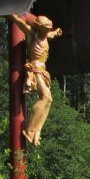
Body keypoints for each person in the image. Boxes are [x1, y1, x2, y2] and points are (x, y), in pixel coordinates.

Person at [8, 13, 63, 146]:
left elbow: (52, 34)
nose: (47, 32)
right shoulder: (32, 34)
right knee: (45, 97)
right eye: (46, 29)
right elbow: (18, 21)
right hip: (35, 70)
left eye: (48, 29)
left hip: (43, 72)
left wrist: (57, 32)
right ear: (39, 28)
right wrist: (8, 11)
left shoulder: (46, 36)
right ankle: (30, 129)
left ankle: (37, 130)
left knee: (49, 100)